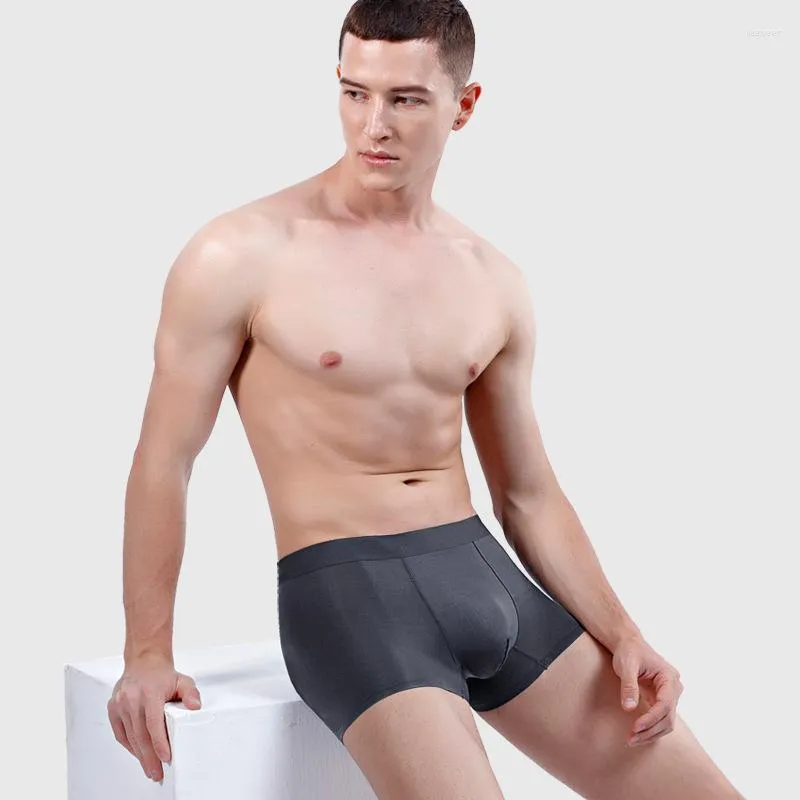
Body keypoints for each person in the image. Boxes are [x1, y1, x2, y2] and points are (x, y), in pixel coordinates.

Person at [107, 1, 745, 797]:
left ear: (463, 105)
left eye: (406, 99)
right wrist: (147, 652)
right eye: (355, 93)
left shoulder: (490, 278)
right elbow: (164, 459)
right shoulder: (242, 252)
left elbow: (528, 494)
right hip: (350, 599)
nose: (374, 125)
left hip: (484, 580)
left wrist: (623, 634)